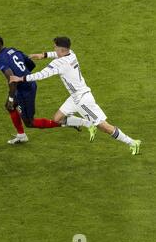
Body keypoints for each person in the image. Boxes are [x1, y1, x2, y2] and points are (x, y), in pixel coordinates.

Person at [9, 37, 141, 155]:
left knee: (104, 127)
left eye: (55, 47)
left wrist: (20, 78)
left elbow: (41, 75)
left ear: (61, 49)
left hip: (83, 100)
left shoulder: (59, 63)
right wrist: (43, 55)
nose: (53, 49)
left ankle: (132, 142)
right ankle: (87, 124)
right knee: (57, 118)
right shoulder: (71, 54)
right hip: (75, 97)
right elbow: (56, 54)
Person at [0, 35, 70, 145]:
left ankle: (66, 123)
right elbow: (31, 64)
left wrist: (11, 97)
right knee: (9, 107)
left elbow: (13, 80)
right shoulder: (13, 50)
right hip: (25, 85)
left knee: (30, 123)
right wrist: (23, 74)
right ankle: (21, 135)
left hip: (25, 90)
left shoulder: (0, 60)